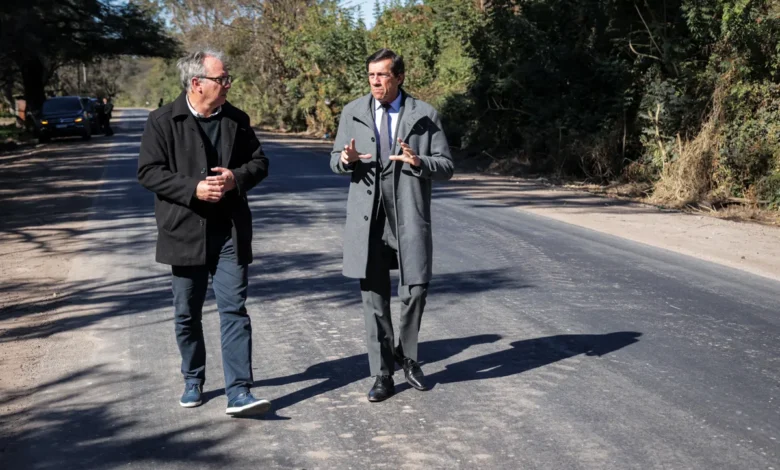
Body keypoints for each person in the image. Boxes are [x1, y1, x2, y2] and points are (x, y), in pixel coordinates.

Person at [137, 48, 271, 417]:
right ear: (197, 83)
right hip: (183, 232)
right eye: (221, 78)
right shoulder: (162, 121)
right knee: (186, 313)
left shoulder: (236, 119)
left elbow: (260, 163)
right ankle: (193, 378)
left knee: (234, 310)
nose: (228, 84)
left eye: (227, 78)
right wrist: (192, 189)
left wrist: (235, 179)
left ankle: (239, 391)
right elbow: (148, 171)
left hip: (230, 232)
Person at [329, 49, 454, 402]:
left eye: (382, 75)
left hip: (408, 213)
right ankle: (382, 374)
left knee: (416, 289)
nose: (375, 82)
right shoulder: (353, 111)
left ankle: (407, 356)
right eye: (371, 75)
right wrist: (346, 159)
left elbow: (446, 166)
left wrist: (420, 161)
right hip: (368, 215)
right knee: (374, 295)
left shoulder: (424, 114)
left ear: (399, 77)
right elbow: (335, 161)